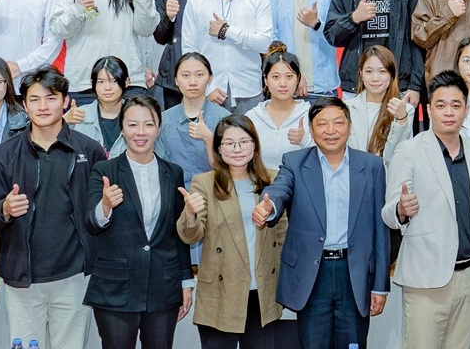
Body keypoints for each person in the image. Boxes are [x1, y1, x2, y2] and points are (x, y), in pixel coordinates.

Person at [0, 66, 108, 349]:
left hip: (74, 275)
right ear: (24, 105)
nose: (43, 106)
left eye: (51, 98)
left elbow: (97, 215)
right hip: (23, 277)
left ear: (65, 101)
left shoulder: (89, 150)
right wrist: (5, 209)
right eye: (34, 99)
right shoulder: (4, 154)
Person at [249, 98, 393, 349]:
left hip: (355, 273)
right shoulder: (295, 162)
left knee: (353, 345)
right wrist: (268, 206)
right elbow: (279, 190)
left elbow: (380, 231)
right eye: (322, 124)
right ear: (311, 129)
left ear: (349, 127)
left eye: (338, 123)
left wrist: (380, 286)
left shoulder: (371, 166)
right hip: (312, 273)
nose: (330, 130)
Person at [384, 71, 470, 349]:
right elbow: (388, 213)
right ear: (428, 110)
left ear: (466, 109)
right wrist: (401, 208)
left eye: (456, 105)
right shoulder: (409, 150)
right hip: (425, 281)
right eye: (441, 105)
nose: (449, 112)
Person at [85, 96, 195, 349]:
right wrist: (105, 207)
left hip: (163, 285)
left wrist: (185, 281)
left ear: (159, 127)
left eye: (148, 124)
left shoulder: (173, 172)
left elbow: (177, 233)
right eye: (133, 125)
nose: (141, 132)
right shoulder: (105, 170)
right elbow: (91, 223)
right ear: (122, 128)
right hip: (116, 287)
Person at [177, 114, 295, 349]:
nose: (237, 149)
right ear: (218, 149)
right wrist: (189, 213)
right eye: (229, 143)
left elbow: (283, 234)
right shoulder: (205, 182)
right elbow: (191, 236)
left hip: (262, 292)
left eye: (244, 142)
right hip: (220, 293)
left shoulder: (274, 180)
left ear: (255, 145)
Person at [181, 0, 277, 114]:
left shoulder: (258, 0)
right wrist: (206, 88)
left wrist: (227, 31)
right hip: (209, 93)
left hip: (249, 91)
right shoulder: (196, 1)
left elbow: (265, 43)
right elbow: (188, 50)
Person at [157, 50, 234, 190]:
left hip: (216, 192)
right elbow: (160, 167)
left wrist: (209, 138)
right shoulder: (164, 120)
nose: (192, 82)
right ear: (176, 80)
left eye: (199, 75)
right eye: (185, 75)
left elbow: (232, 168)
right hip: (175, 193)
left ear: (210, 78)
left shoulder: (224, 118)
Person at [245, 46, 317, 171]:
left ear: (298, 79)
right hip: (261, 181)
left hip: (298, 181)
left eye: (289, 77)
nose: (283, 84)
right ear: (265, 80)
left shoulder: (311, 114)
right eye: (276, 77)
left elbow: (324, 156)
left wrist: (304, 140)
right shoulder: (251, 117)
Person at [344, 44, 414, 161]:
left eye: (382, 71)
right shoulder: (346, 107)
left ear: (392, 75)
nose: (375, 78)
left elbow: (398, 156)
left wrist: (401, 119)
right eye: (369, 71)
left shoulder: (405, 110)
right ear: (361, 74)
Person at [64, 56, 133, 157]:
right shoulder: (79, 115)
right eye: (101, 82)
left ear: (126, 82)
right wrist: (64, 121)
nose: (107, 88)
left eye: (114, 81)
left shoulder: (137, 114)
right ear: (93, 83)